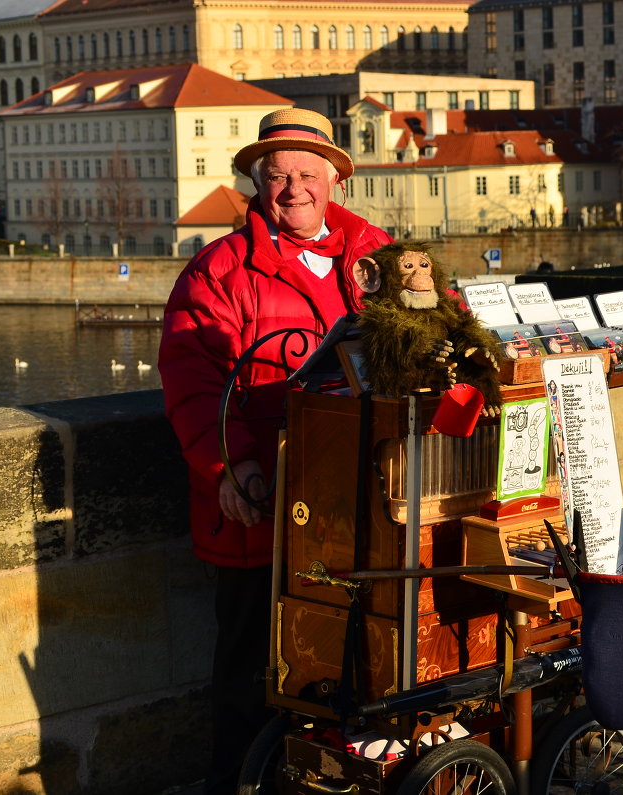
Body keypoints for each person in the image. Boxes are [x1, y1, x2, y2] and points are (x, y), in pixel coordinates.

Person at [158, 107, 392, 794]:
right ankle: (238, 782)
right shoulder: (219, 269)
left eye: (306, 173)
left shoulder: (375, 256)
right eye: (278, 175)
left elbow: (437, 324)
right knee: (250, 669)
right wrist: (234, 465)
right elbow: (194, 381)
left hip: (361, 507)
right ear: (259, 187)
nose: (293, 188)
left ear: (335, 182)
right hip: (264, 505)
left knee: (356, 660)